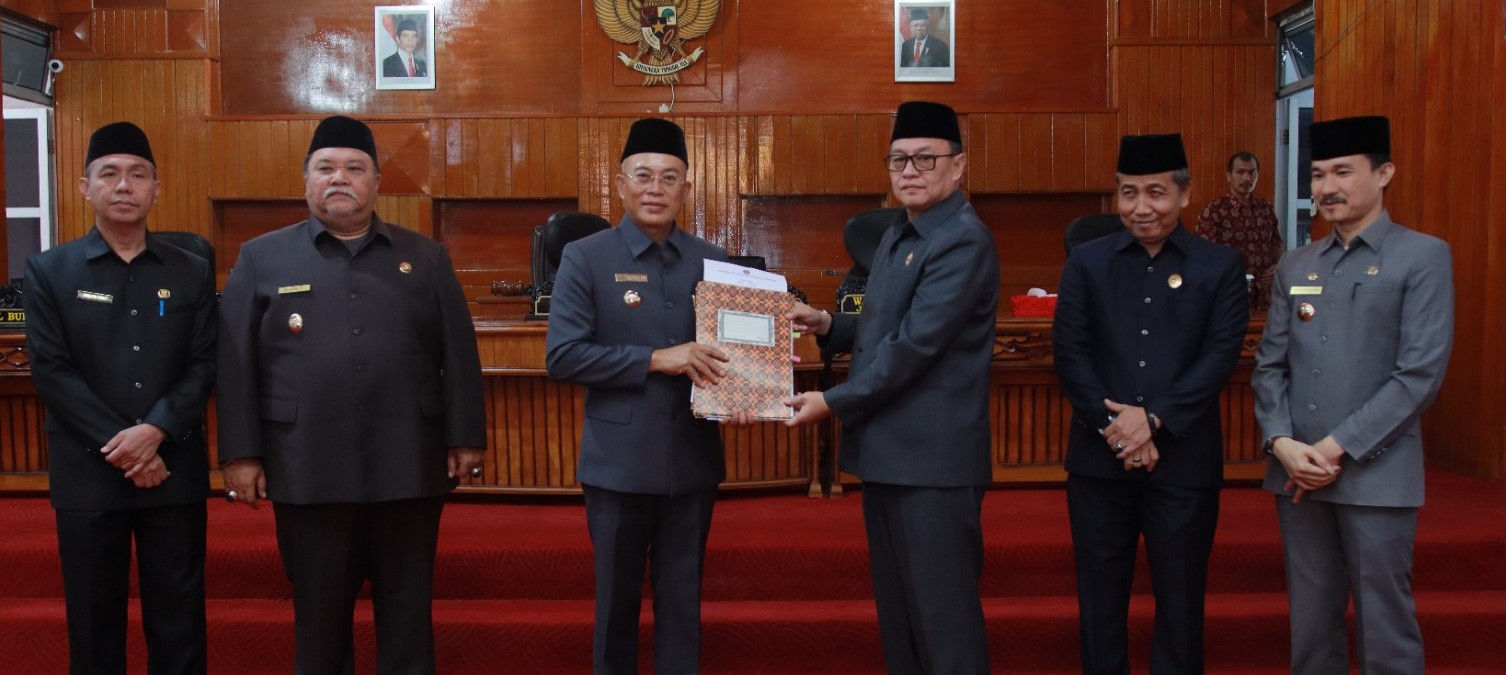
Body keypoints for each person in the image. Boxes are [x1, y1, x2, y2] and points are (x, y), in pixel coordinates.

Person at [216, 115, 485, 675]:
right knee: (318, 616)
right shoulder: (260, 258)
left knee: (408, 612)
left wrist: (466, 436)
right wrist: (241, 454)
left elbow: (458, 353)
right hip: (305, 465)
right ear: (306, 179)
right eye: (326, 169)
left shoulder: (425, 258)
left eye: (355, 169)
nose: (340, 179)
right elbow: (235, 362)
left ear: (377, 182)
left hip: (408, 464)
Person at [784, 101, 998, 673]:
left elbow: (915, 349)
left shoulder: (961, 240)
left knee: (943, 622)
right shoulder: (897, 235)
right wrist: (829, 325)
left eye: (926, 159)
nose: (910, 170)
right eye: (899, 159)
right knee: (901, 617)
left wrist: (830, 401)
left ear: (959, 167)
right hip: (889, 457)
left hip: (933, 464)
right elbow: (887, 327)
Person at [545, 118, 749, 674]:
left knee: (683, 604)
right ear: (619, 184)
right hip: (617, 466)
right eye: (643, 175)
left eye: (669, 177)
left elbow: (739, 356)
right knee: (616, 604)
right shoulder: (584, 257)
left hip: (693, 459)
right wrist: (659, 359)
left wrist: (760, 380)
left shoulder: (715, 262)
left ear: (686, 187)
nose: (655, 188)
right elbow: (562, 356)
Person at [1252, 115, 1453, 675]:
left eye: (1342, 171)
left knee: (1385, 627)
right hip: (1297, 476)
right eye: (1317, 175)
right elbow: (1269, 366)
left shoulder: (1422, 256)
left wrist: (1335, 447)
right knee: (1312, 626)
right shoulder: (1297, 263)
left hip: (1375, 475)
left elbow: (1419, 375)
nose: (1326, 188)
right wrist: (1282, 442)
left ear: (1384, 173)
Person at [1052, 133, 1249, 675]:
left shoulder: (1220, 266)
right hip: (1099, 462)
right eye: (1128, 193)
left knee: (1182, 601)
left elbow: (1220, 356)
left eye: (1157, 193)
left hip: (1184, 462)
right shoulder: (1086, 262)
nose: (1142, 208)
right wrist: (1118, 428)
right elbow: (1069, 352)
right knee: (1099, 601)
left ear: (1184, 195)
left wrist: (1153, 421)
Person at [24, 121, 215, 675]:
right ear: (85, 188)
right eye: (109, 174)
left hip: (172, 470)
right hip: (88, 474)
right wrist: (127, 448)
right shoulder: (48, 271)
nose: (124, 186)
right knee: (92, 619)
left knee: (179, 618)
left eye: (137, 175)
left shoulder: (192, 270)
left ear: (157, 188)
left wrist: (154, 432)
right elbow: (52, 371)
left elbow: (204, 363)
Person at [1195, 151, 1284, 311]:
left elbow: (1275, 245)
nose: (1246, 178)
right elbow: (1203, 257)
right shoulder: (1216, 211)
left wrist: (1278, 266)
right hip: (1230, 293)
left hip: (1265, 294)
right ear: (1229, 176)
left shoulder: (1266, 209)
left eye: (1252, 172)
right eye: (1240, 172)